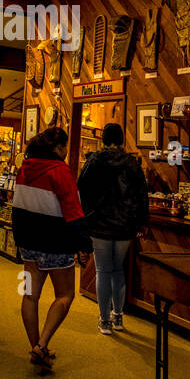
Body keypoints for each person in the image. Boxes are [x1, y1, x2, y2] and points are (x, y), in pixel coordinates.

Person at [11, 126, 91, 371]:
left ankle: (37, 346)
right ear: (58, 148)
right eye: (65, 146)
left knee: (29, 295)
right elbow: (73, 211)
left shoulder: (25, 168)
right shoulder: (60, 171)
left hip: (27, 242)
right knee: (65, 295)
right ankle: (42, 344)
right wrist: (84, 245)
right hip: (55, 242)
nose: (67, 151)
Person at [77, 123, 148, 335]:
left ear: (103, 139)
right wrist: (141, 221)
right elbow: (142, 194)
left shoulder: (95, 161)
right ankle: (118, 316)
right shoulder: (133, 164)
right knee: (118, 271)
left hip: (99, 225)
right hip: (125, 225)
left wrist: (87, 215)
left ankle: (104, 320)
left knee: (102, 270)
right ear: (122, 140)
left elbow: (82, 188)